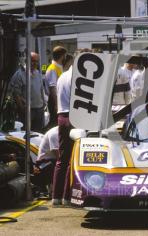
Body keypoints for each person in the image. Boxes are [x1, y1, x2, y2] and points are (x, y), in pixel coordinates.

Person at [52, 49, 89, 205]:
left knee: (62, 158)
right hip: (75, 117)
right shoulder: (79, 78)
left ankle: (56, 197)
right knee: (73, 159)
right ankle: (67, 197)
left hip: (61, 116)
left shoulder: (63, 75)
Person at [8, 52, 45, 132]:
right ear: (26, 61)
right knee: (26, 134)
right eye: (32, 61)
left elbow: (41, 89)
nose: (34, 63)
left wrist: (44, 104)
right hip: (27, 111)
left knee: (37, 133)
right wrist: (22, 109)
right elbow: (16, 94)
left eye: (36, 61)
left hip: (39, 109)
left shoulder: (38, 73)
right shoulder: (19, 74)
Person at [45, 46, 67, 128]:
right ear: (62, 56)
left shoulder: (58, 67)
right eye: (65, 55)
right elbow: (52, 88)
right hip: (54, 100)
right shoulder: (53, 68)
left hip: (58, 99)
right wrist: (56, 104)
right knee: (54, 123)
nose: (65, 57)